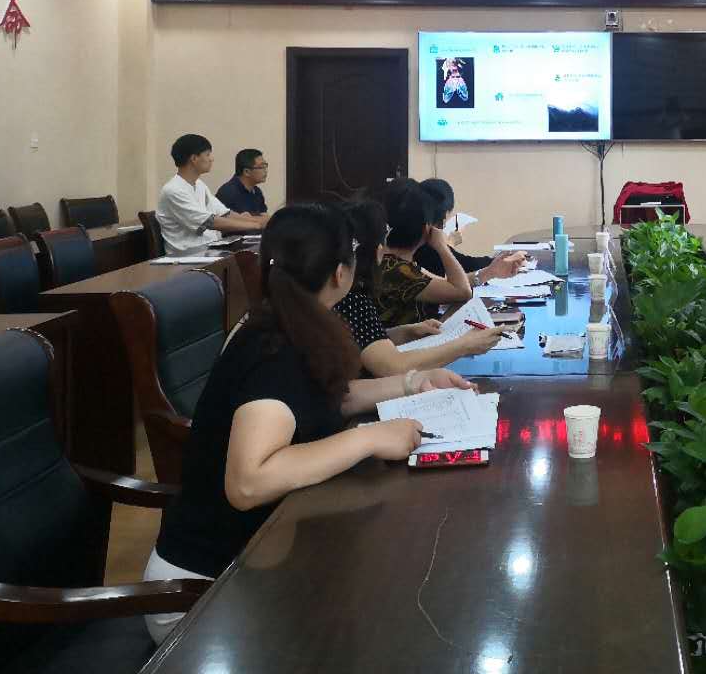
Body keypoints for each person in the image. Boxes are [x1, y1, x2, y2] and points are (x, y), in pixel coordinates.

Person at [142, 203, 475, 643]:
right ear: (340, 273)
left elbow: (324, 400)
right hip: (204, 593)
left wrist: (413, 382)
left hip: (260, 558)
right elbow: (248, 483)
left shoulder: (294, 320)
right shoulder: (272, 349)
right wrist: (369, 438)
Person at [335, 199, 505, 375]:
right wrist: (464, 345)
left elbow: (361, 337)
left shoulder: (353, 292)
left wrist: (405, 332)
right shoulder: (358, 296)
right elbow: (392, 366)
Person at [374, 179, 473, 327]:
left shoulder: (388, 259)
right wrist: (442, 247)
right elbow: (463, 291)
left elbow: (447, 283)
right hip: (409, 341)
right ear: (427, 228)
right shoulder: (399, 270)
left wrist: (487, 273)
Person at [156, 134, 265, 255]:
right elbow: (209, 222)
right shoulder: (173, 190)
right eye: (207, 154)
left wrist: (257, 221)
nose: (211, 159)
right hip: (188, 255)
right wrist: (255, 225)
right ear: (194, 158)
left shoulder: (199, 184)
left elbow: (225, 213)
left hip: (210, 249)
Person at [415, 177, 525, 286]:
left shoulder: (418, 241)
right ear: (444, 217)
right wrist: (445, 247)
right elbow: (457, 283)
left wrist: (447, 246)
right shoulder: (425, 247)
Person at [215, 148, 270, 216]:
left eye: (265, 166)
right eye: (261, 167)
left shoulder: (257, 191)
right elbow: (221, 220)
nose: (265, 171)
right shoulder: (228, 192)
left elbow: (264, 216)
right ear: (246, 172)